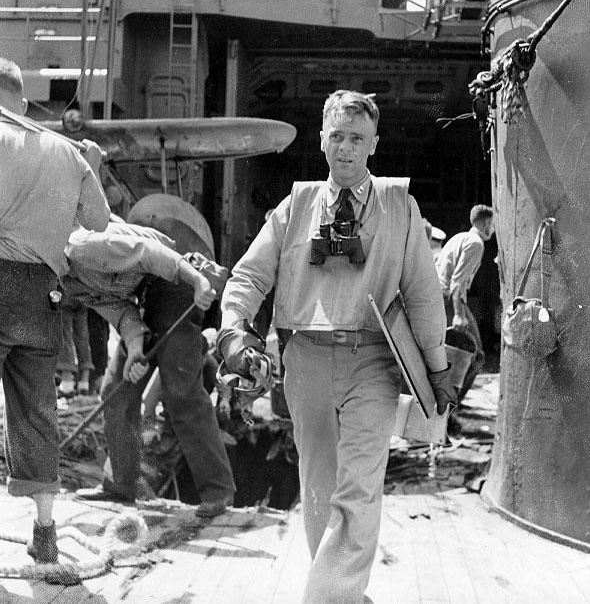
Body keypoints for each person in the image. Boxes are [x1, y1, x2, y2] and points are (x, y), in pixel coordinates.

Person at [217, 90, 454, 603]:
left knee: (359, 489)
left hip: (373, 361)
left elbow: (422, 293)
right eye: (338, 136)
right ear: (322, 139)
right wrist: (235, 328)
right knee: (320, 484)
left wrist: (437, 371)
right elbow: (249, 276)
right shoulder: (296, 205)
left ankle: (323, 600)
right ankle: (342, 595)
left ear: (374, 145)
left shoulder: (400, 206)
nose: (346, 149)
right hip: (305, 362)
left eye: (358, 139)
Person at [0, 57, 110, 564]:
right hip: (41, 293)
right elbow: (100, 221)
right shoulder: (67, 152)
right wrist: (91, 164)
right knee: (38, 412)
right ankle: (45, 535)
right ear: (23, 101)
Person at [70, 218, 236, 516]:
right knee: (115, 390)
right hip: (146, 297)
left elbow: (149, 252)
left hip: (175, 284)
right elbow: (122, 315)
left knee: (180, 391)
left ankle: (217, 491)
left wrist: (198, 281)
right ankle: (121, 485)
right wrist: (135, 352)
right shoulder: (67, 282)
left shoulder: (80, 248)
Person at [436, 204, 494, 402]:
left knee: (448, 356)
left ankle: (444, 410)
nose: (493, 231)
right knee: (476, 357)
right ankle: (449, 409)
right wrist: (460, 314)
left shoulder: (460, 237)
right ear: (486, 223)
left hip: (441, 299)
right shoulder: (476, 243)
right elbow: (457, 282)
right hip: (450, 301)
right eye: (492, 225)